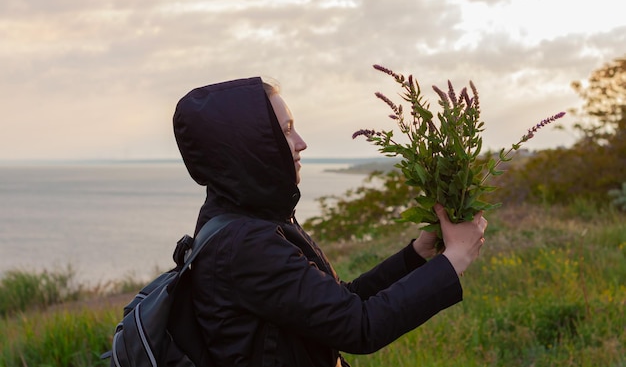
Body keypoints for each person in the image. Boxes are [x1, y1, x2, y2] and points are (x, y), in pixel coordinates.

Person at [173, 77, 487, 367]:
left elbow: (342, 301)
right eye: (285, 130)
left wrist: (417, 254)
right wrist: (453, 259)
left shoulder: (249, 219)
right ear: (252, 146)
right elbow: (360, 326)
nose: (301, 142)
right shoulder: (245, 243)